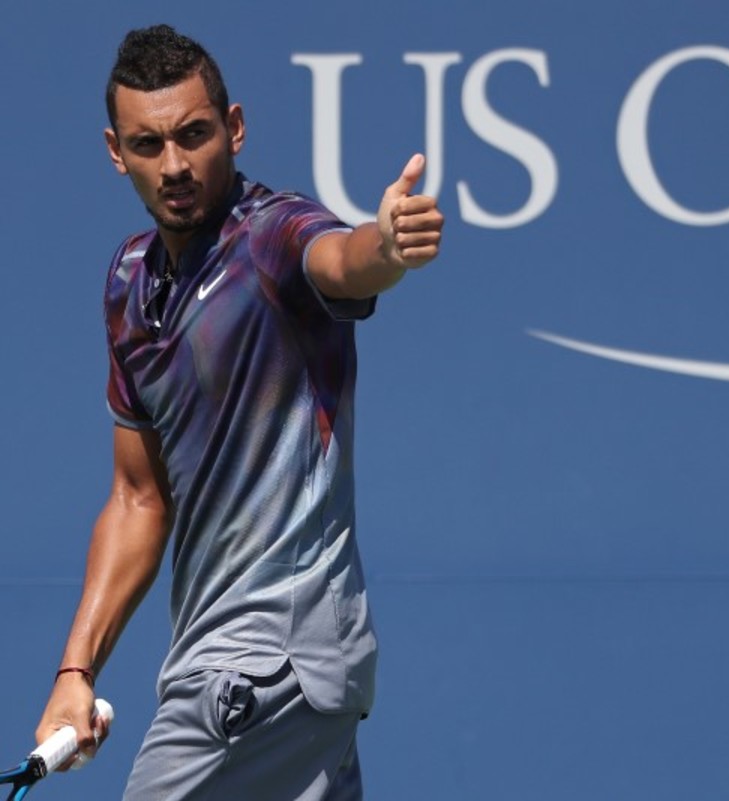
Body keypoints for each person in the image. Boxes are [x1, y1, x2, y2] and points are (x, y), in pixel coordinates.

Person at [33, 24, 442, 800]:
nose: (175, 165)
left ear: (235, 128)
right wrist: (76, 670)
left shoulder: (273, 235)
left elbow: (343, 259)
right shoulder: (128, 284)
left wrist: (385, 248)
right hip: (238, 662)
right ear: (117, 152)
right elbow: (139, 497)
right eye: (148, 144)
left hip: (268, 663)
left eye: (194, 135)